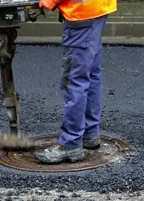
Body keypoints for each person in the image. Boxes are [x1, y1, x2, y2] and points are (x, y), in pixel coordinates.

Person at [34, 0, 117, 164]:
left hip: (81, 13)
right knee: (91, 74)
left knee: (74, 80)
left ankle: (70, 143)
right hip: (96, 8)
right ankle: (89, 132)